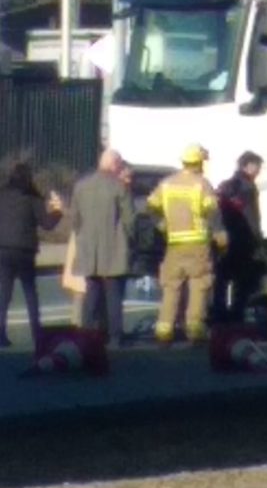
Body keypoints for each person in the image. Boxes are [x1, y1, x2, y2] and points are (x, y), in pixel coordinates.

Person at [146, 144, 226, 345]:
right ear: (198, 163)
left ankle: (164, 329)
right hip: (198, 244)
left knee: (171, 286)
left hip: (174, 244)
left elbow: (151, 206)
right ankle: (194, 328)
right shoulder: (202, 184)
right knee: (199, 284)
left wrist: (162, 224)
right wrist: (220, 235)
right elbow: (212, 212)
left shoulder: (166, 184)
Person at [70, 149, 135, 348]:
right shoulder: (119, 187)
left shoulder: (81, 186)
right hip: (114, 249)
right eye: (120, 165)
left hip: (89, 249)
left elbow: (75, 220)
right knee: (114, 296)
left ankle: (87, 336)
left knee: (91, 294)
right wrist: (130, 241)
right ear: (114, 164)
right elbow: (129, 220)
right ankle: (115, 336)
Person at [0, 158, 63, 346]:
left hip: (3, 249)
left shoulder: (2, 195)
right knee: (30, 293)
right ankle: (37, 333)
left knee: (4, 293)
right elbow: (47, 224)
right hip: (25, 251)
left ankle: (1, 334)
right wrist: (57, 211)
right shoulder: (33, 198)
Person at [212, 150, 264, 324]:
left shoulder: (227, 185)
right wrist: (257, 238)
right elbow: (251, 217)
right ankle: (235, 315)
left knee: (222, 278)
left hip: (227, 238)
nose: (259, 170)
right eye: (257, 166)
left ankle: (219, 314)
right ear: (246, 166)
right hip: (243, 239)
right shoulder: (246, 186)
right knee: (242, 280)